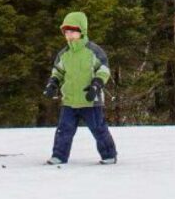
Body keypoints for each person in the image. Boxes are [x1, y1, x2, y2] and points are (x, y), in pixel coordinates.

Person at [42, 12, 118, 165]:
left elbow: (103, 69)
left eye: (73, 32)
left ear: (82, 31)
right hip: (70, 100)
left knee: (98, 128)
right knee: (64, 130)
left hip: (90, 100)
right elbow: (58, 71)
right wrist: (52, 84)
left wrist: (96, 85)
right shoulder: (64, 54)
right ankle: (59, 155)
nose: (69, 35)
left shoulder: (93, 51)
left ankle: (109, 154)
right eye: (66, 32)